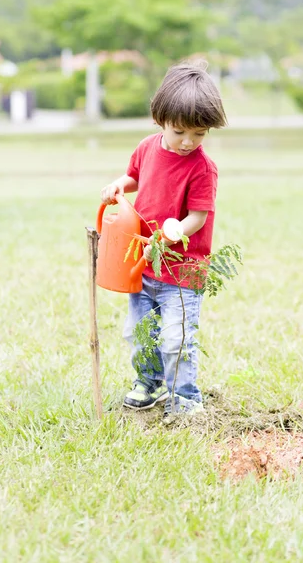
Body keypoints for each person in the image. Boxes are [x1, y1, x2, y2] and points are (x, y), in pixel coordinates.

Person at [100, 61, 227, 415]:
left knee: (177, 339)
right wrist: (117, 186)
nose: (188, 141)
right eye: (179, 132)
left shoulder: (203, 168)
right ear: (160, 121)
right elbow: (134, 177)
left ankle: (185, 396)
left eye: (199, 134)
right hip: (143, 265)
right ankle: (150, 382)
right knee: (139, 333)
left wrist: (176, 230)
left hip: (181, 271)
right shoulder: (146, 148)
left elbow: (198, 216)